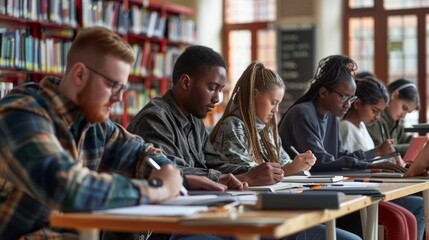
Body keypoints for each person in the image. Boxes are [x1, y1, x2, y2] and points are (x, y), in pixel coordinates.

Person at [0, 26, 188, 239]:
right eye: (113, 86)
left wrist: (170, 172)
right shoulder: (19, 114)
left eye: (123, 89)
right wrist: (158, 187)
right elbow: (68, 187)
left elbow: (141, 153)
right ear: (80, 74)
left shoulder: (95, 123)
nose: (119, 98)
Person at [209, 61, 361, 240]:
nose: (276, 110)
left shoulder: (267, 131)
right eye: (273, 102)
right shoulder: (233, 126)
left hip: (276, 210)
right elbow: (251, 174)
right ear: (255, 96)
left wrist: (300, 164)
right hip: (248, 215)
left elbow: (285, 162)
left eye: (278, 103)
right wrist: (290, 169)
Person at [278, 55, 424, 238]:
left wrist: (373, 163)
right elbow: (320, 161)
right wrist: (368, 166)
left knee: (403, 216)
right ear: (323, 93)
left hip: (329, 189)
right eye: (344, 98)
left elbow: (339, 154)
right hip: (307, 196)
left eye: (351, 98)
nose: (349, 104)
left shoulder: (331, 116)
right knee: (393, 218)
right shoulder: (302, 114)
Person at [127, 45, 285, 187]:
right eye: (212, 88)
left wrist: (254, 171)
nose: (217, 99)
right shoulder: (155, 119)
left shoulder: (194, 120)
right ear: (186, 83)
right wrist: (246, 177)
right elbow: (171, 172)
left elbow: (215, 163)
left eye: (220, 90)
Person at [339, 76, 418, 240]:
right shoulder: (346, 128)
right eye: (374, 111)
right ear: (358, 104)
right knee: (409, 213)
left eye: (380, 112)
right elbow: (349, 166)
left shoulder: (361, 126)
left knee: (409, 215)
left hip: (373, 187)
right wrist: (380, 158)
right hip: (359, 193)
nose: (377, 117)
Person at [366, 78, 420, 156]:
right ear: (394, 95)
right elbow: (381, 149)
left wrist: (418, 141)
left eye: (407, 112)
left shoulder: (396, 122)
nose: (403, 115)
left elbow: (402, 140)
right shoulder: (374, 119)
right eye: (404, 108)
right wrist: (414, 147)